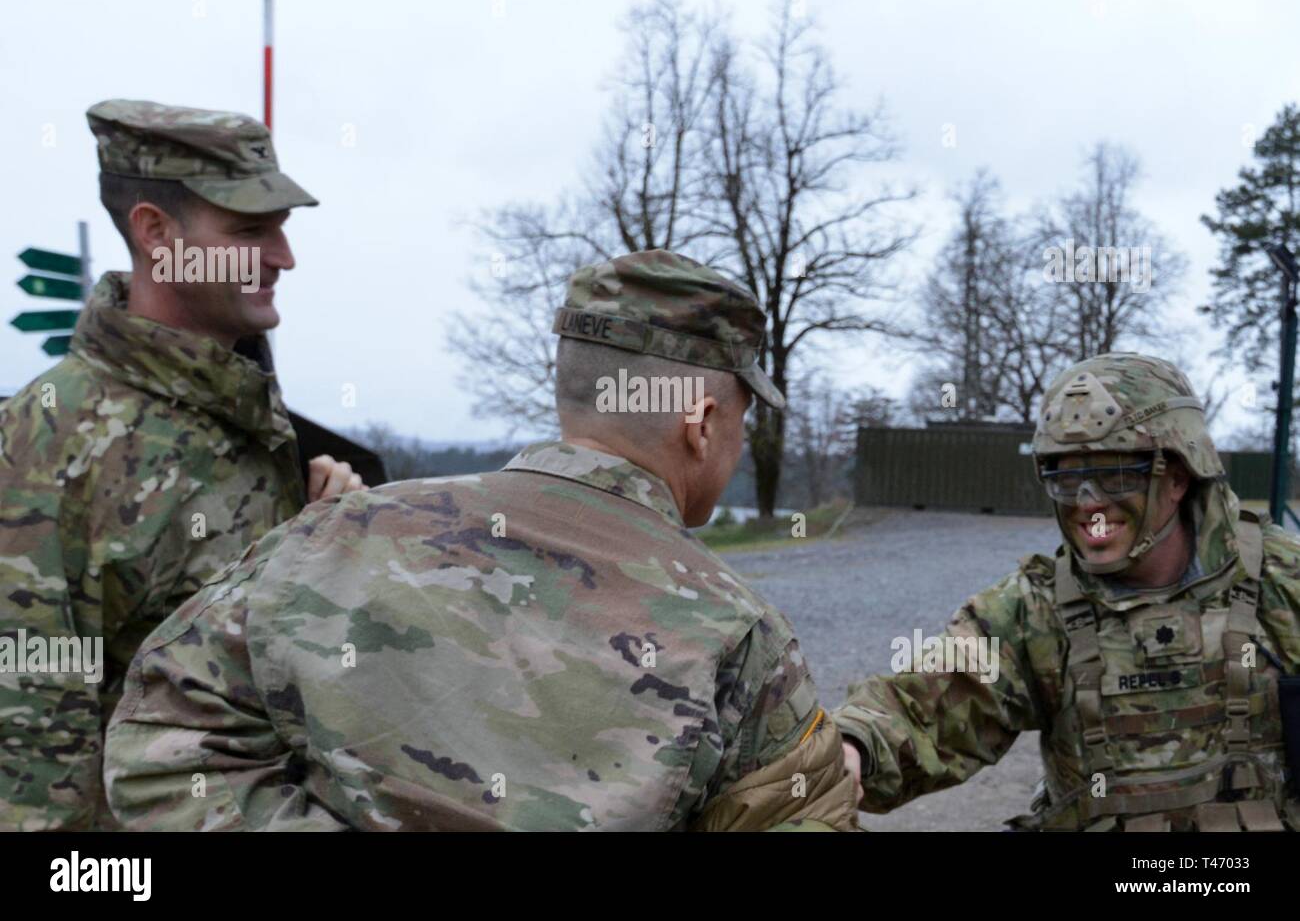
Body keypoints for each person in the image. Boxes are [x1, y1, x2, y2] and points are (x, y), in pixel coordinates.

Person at [103, 249, 859, 831]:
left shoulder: (333, 536)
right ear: (702, 425)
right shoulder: (738, 631)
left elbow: (164, 740)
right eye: (740, 420)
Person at [0, 99, 363, 830]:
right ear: (157, 233)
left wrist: (324, 536)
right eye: (250, 232)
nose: (284, 257)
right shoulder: (52, 438)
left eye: (281, 228)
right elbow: (30, 738)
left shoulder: (248, 409)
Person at [835, 352, 1300, 831]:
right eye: (1068, 478)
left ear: (1178, 476)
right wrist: (850, 747)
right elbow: (922, 706)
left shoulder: (1283, 581)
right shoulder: (1035, 609)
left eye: (1115, 476)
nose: (1088, 503)